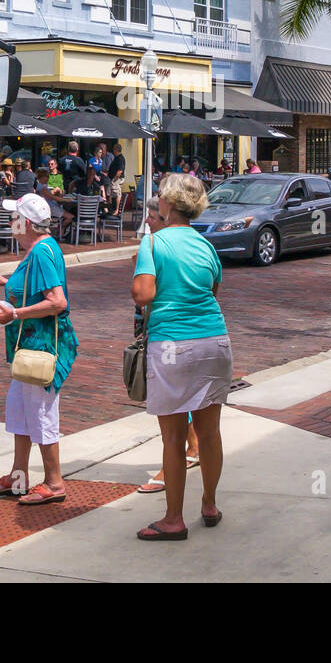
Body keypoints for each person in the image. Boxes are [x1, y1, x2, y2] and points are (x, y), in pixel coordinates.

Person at [130, 173, 230, 540]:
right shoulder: (206, 245)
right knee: (210, 432)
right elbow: (213, 289)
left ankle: (173, 519)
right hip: (215, 341)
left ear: (168, 205)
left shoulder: (153, 243)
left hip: (172, 343)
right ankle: (210, 503)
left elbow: (142, 293)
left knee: (173, 437)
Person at [0, 194, 78, 505]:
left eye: (14, 217)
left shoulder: (41, 253)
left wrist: (16, 313)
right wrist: (8, 282)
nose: (11, 222)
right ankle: (19, 476)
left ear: (27, 223)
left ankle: (54, 482)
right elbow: (37, 288)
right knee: (21, 412)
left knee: (41, 414)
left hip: (41, 348)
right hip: (28, 347)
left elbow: (57, 301)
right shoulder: (38, 249)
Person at [134, 202, 200, 495]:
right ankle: (195, 450)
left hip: (171, 334)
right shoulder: (186, 244)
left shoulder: (155, 246)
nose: (147, 220)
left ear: (166, 217)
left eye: (151, 215)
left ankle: (170, 472)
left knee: (170, 404)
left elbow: (143, 294)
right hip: (190, 334)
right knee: (183, 398)